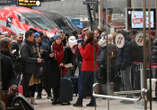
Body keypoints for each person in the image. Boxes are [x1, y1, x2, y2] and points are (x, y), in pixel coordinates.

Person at [73, 31, 99, 107]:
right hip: (94, 67)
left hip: (86, 67)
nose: (84, 38)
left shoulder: (88, 45)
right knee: (92, 85)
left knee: (81, 84)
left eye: (85, 36)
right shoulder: (95, 45)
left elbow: (85, 56)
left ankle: (79, 101)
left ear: (88, 37)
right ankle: (93, 101)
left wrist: (80, 48)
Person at [20, 30, 43, 104]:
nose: (34, 38)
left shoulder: (32, 44)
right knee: (27, 86)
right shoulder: (24, 45)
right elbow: (25, 58)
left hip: (34, 68)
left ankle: (32, 100)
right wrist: (36, 60)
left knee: (34, 85)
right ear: (29, 37)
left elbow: (35, 54)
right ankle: (26, 101)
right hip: (28, 69)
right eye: (33, 36)